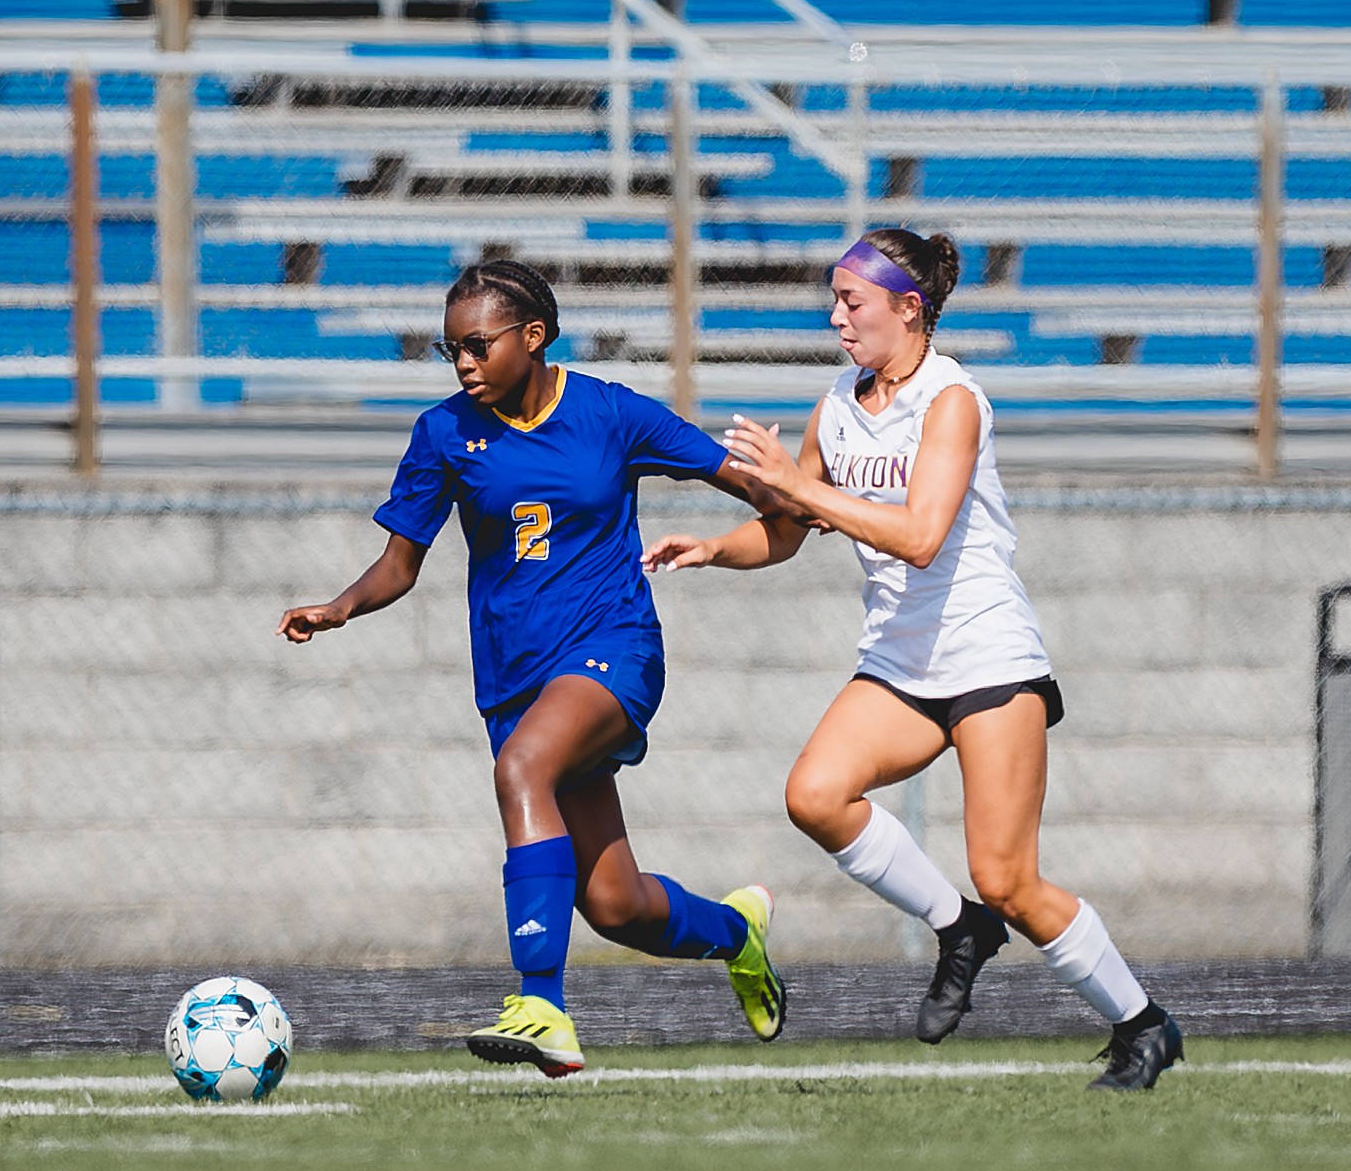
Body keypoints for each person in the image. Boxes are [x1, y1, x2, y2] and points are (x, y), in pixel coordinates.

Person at [640, 230, 1184, 1091]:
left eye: (851, 303)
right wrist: (715, 547)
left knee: (1007, 877)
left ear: (909, 308)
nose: (836, 318)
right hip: (900, 659)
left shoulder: (952, 399)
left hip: (988, 655)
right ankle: (957, 929)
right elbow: (788, 530)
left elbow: (921, 536)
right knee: (814, 796)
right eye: (834, 300)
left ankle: (1143, 1024)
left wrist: (801, 486)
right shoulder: (840, 400)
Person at [277, 260, 788, 1078]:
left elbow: (749, 485)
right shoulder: (443, 433)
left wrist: (802, 500)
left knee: (523, 767)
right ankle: (737, 933)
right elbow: (400, 562)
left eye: (477, 345)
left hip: (613, 650)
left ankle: (542, 1003)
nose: (463, 364)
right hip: (516, 679)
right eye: (450, 351)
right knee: (616, 905)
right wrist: (341, 606)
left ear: (534, 336)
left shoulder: (611, 413)